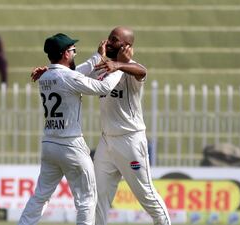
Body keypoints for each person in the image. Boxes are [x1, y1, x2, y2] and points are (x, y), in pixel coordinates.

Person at [32, 27, 171, 225]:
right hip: (106, 142)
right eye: (109, 37)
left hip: (130, 140)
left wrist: (120, 64)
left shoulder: (129, 67)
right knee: (98, 199)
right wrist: (51, 71)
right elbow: (73, 75)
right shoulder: (103, 67)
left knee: (147, 196)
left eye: (114, 39)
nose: (109, 41)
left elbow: (143, 71)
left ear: (127, 46)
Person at [18, 33, 123, 225]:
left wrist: (96, 57)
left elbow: (74, 74)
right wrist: (120, 68)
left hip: (49, 144)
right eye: (73, 51)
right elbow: (101, 87)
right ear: (66, 54)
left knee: (40, 197)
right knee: (87, 200)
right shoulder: (67, 77)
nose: (75, 54)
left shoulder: (45, 76)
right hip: (71, 144)